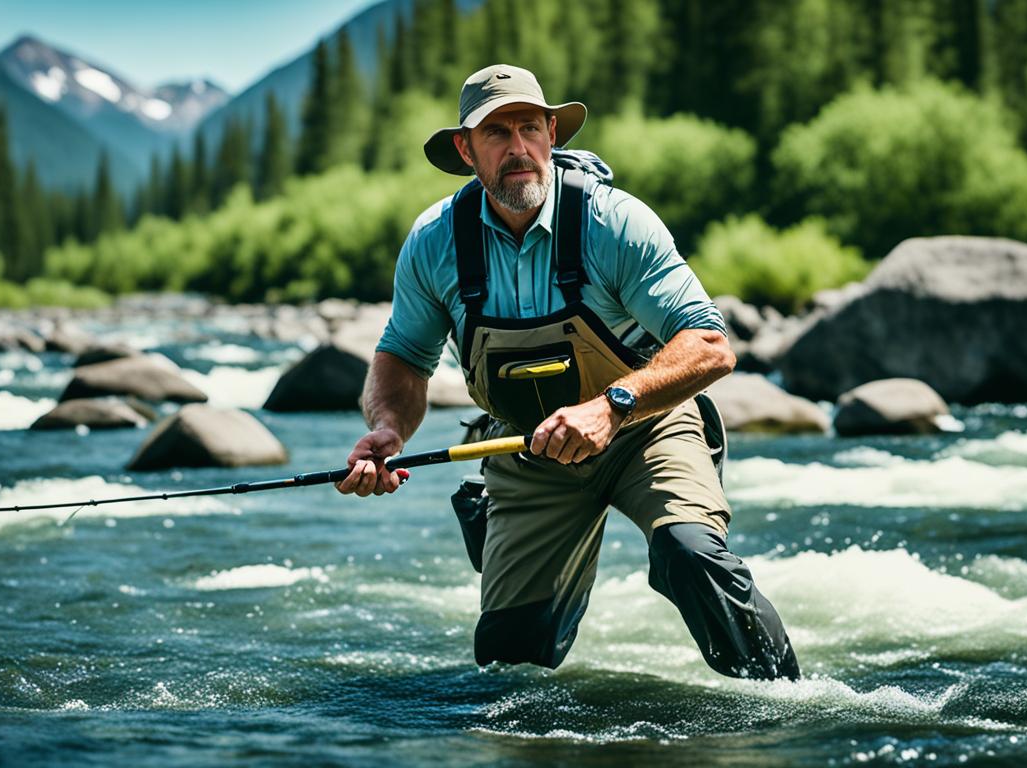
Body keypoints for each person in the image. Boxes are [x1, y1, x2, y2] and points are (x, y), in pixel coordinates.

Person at [336, 64, 799, 680]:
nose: (518, 148)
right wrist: (389, 428)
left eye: (530, 127)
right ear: (464, 148)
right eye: (496, 134)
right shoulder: (434, 242)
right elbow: (403, 356)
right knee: (508, 663)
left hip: (646, 428)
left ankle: (788, 713)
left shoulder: (614, 223)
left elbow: (710, 345)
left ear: (553, 133)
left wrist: (612, 406)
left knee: (691, 556)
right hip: (527, 448)